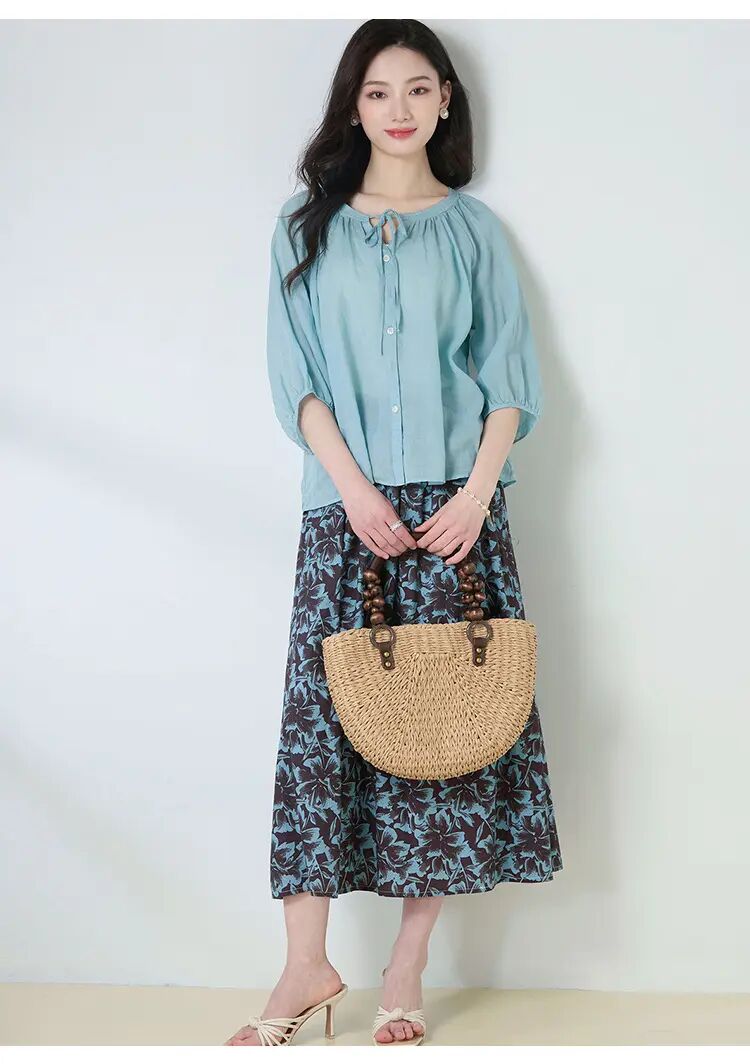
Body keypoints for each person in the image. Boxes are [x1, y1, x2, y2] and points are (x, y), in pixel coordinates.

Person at [225, 18, 563, 1048]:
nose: (400, 109)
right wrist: (355, 490)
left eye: (419, 88)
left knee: (450, 731)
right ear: (354, 105)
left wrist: (475, 495)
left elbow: (510, 381)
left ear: (446, 99)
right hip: (345, 511)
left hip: (460, 514)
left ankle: (406, 967)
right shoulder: (303, 229)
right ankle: (304, 964)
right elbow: (296, 380)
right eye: (378, 92)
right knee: (320, 731)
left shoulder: (474, 232)